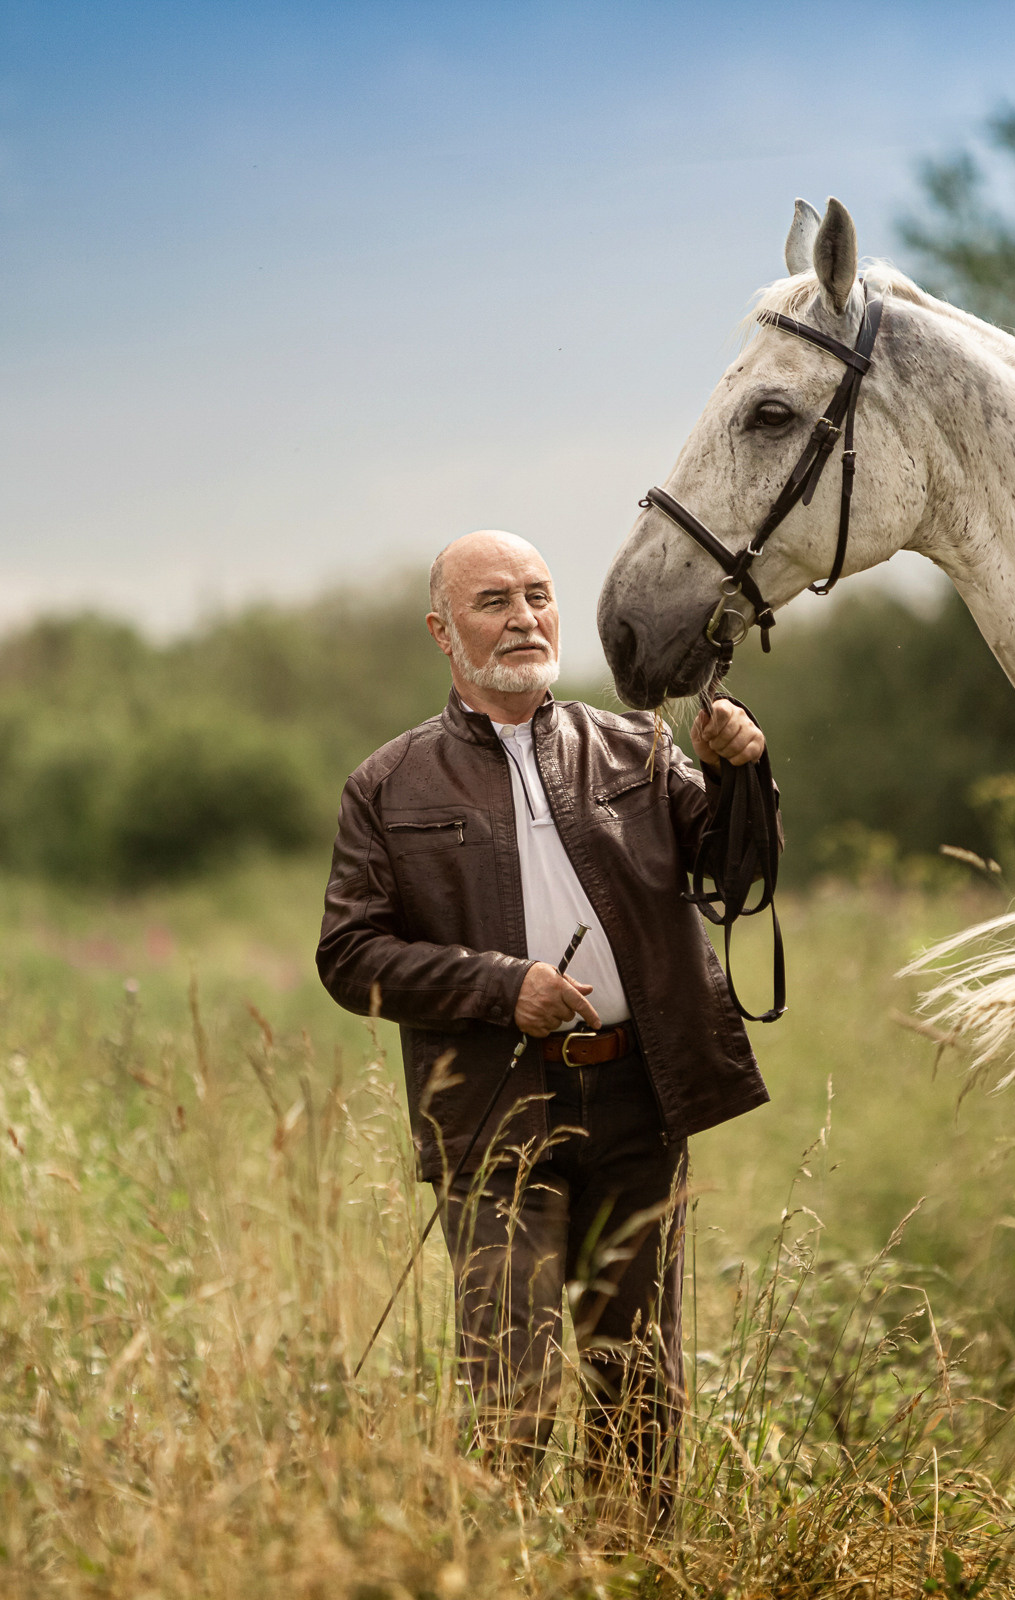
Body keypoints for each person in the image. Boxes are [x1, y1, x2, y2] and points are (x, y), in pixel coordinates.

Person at [315, 530, 771, 1514]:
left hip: (637, 1101)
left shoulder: (640, 748)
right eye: (494, 601)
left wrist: (742, 772)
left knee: (639, 1391)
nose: (524, 617)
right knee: (512, 1396)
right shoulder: (387, 785)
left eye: (538, 594)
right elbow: (347, 958)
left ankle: (631, 1575)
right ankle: (502, 1571)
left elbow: (737, 876)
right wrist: (498, 986)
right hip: (491, 1115)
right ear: (443, 631)